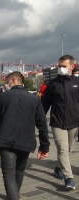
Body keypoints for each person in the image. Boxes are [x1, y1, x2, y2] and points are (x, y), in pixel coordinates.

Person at [0, 71, 50, 200]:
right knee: (19, 170)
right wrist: (44, 146)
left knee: (8, 173)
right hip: (25, 142)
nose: (6, 84)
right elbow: (42, 125)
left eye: (8, 81)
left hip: (5, 141)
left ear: (13, 80)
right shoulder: (34, 100)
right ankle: (15, 195)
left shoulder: (3, 97)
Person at [42, 55, 79, 190]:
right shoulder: (53, 84)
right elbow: (45, 104)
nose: (61, 68)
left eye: (64, 66)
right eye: (59, 66)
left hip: (74, 123)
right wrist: (38, 120)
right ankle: (69, 179)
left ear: (72, 66)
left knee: (68, 150)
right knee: (62, 150)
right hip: (57, 122)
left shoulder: (77, 82)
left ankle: (59, 167)